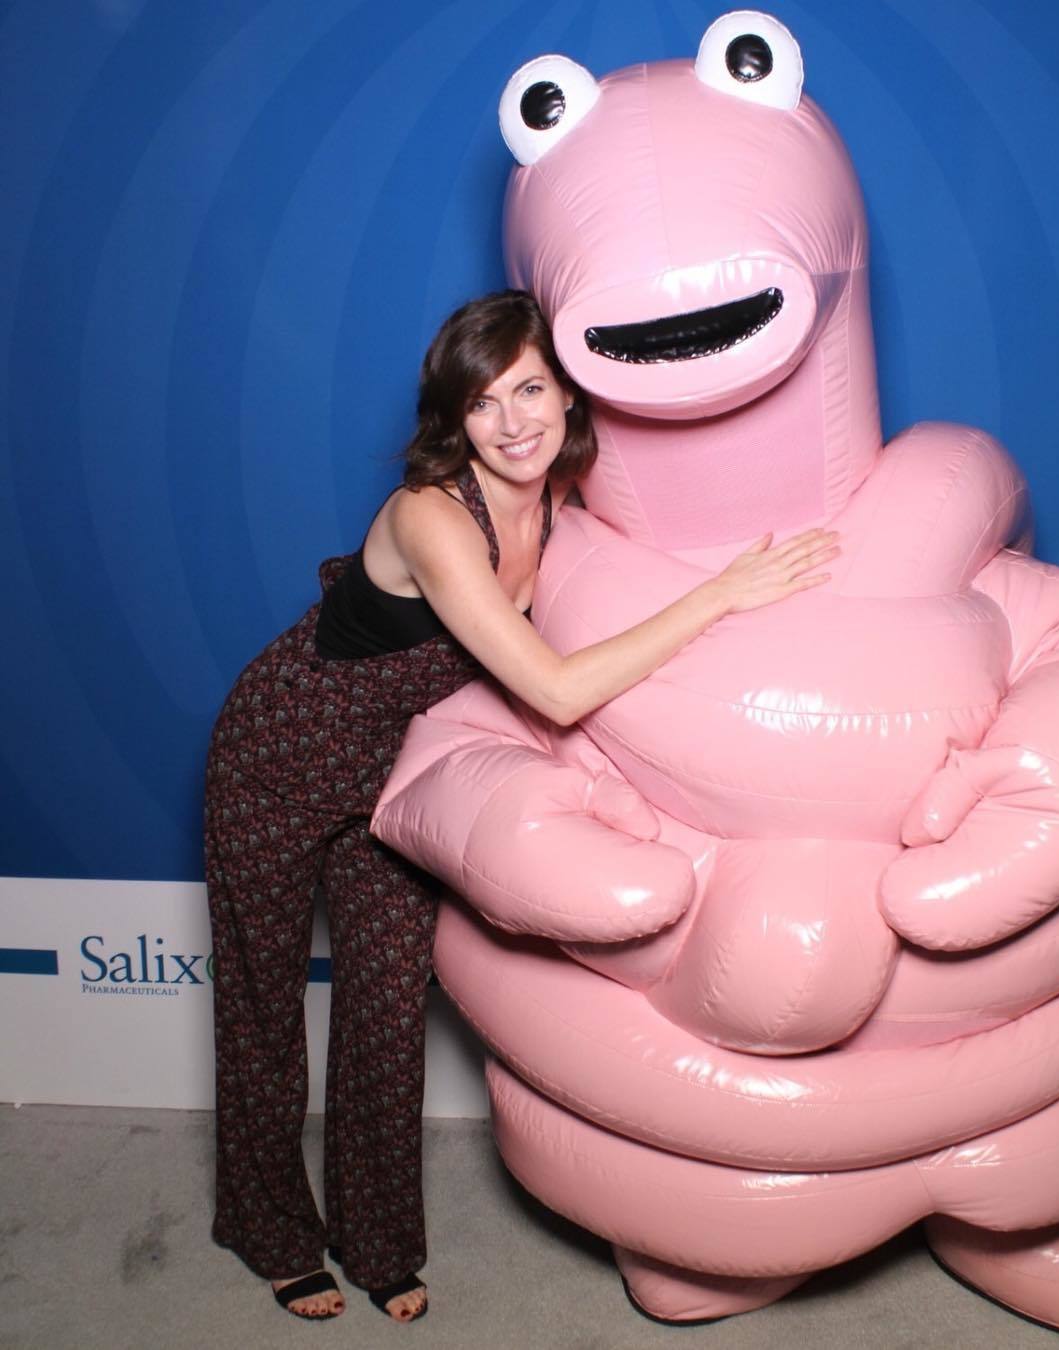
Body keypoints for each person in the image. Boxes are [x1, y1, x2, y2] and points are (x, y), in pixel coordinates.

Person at [203, 290, 839, 1325]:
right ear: (454, 418)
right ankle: (270, 1232)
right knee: (262, 1010)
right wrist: (722, 594)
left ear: (566, 394)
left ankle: (377, 1244)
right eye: (484, 401)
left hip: (396, 777)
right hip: (279, 755)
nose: (512, 422)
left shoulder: (564, 501)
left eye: (531, 390)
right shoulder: (430, 514)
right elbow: (554, 688)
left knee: (385, 1015)